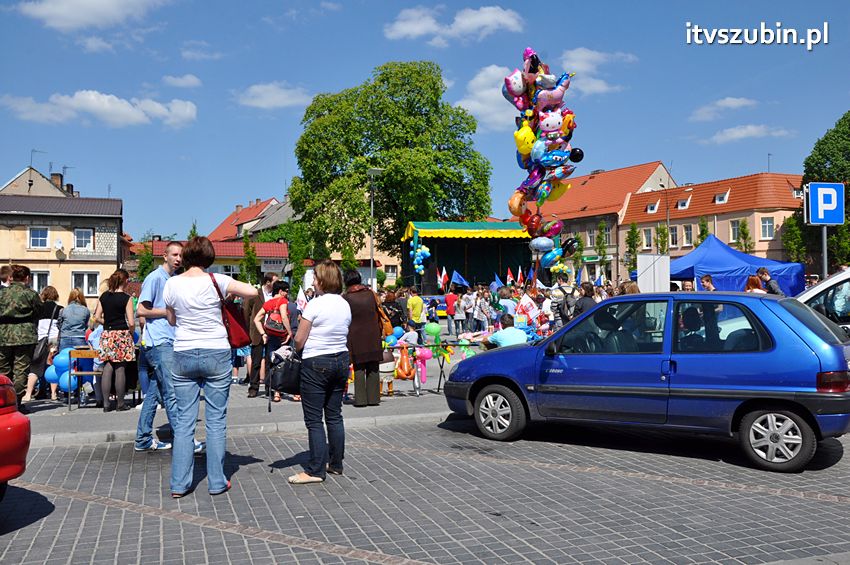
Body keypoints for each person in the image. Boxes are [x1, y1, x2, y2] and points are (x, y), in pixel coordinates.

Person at [164, 236, 258, 497]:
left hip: (183, 352)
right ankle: (217, 481)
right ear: (209, 257)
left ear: (186, 256)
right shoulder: (218, 280)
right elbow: (253, 291)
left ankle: (179, 484)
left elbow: (171, 320)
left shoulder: (172, 284)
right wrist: (227, 295)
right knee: (216, 420)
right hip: (216, 351)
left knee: (184, 422)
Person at [289, 259, 352, 485]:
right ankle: (336, 463)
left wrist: (294, 349)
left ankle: (315, 470)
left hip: (316, 362)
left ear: (323, 281)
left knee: (314, 420)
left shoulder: (315, 304)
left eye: (315, 278)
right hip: (341, 360)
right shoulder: (344, 304)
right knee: (334, 415)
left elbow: (299, 339)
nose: (313, 282)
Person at [134, 242, 187, 451]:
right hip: (159, 342)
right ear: (165, 256)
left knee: (154, 393)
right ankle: (183, 439)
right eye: (174, 255)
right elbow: (141, 310)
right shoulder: (155, 278)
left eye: (181, 255)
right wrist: (167, 312)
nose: (178, 259)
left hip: (167, 340)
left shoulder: (172, 280)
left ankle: (143, 439)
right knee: (171, 391)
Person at [0, 266, 42, 411]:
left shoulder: (1, 293)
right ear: (27, 278)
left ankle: (3, 401)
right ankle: (15, 402)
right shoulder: (30, 294)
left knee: (3, 370)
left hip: (3, 334)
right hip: (25, 335)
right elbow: (39, 311)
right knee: (21, 371)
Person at [93, 269, 135, 412]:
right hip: (122, 334)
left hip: (107, 334)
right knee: (120, 368)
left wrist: (107, 322)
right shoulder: (127, 298)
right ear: (125, 280)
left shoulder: (104, 296)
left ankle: (106, 404)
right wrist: (131, 333)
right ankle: (120, 403)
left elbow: (96, 317)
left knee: (108, 366)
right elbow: (131, 322)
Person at [343, 270, 383, 408]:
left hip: (355, 335)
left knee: (359, 367)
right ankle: (374, 398)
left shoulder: (346, 298)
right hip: (373, 334)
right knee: (373, 366)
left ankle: (360, 400)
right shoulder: (371, 294)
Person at [253, 280, 291, 402]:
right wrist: (289, 332)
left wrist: (263, 334)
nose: (287, 293)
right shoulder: (283, 301)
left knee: (271, 362)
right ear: (280, 291)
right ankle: (278, 392)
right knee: (281, 362)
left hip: (270, 336)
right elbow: (284, 317)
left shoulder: (268, 302)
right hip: (281, 336)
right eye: (286, 291)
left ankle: (271, 389)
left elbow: (256, 319)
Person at [23, 286, 63, 403]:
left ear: (43, 295)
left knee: (35, 367)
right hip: (54, 339)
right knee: (52, 366)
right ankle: (53, 394)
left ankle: (28, 394)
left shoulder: (38, 308)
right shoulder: (59, 309)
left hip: (41, 339)